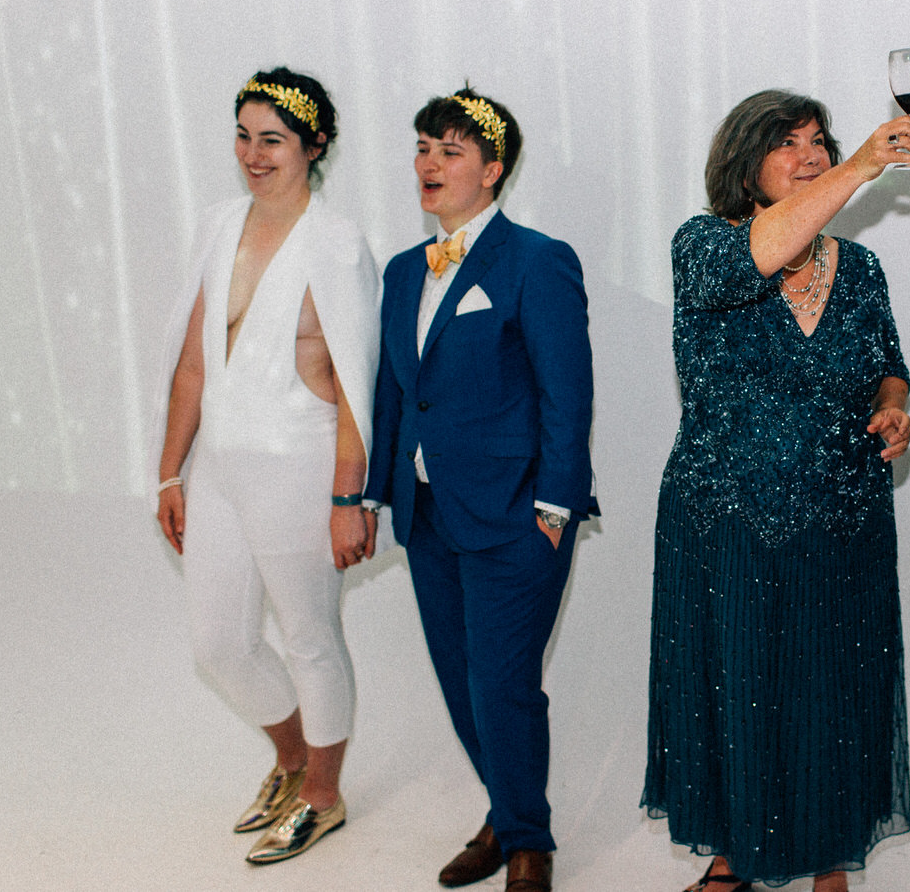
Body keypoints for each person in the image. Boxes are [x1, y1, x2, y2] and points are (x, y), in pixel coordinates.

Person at [643, 90, 910, 892]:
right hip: (723, 516)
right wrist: (869, 161)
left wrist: (893, 406)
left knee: (831, 691)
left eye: (819, 141)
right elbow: (758, 256)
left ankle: (828, 857)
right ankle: (732, 852)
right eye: (786, 142)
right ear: (744, 161)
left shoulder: (860, 268)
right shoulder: (704, 244)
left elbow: (887, 365)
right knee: (732, 686)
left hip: (841, 516)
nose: (810, 153)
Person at [363, 87, 597, 892]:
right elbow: (394, 393)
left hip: (516, 515)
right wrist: (371, 496)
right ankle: (506, 811)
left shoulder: (537, 260)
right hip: (428, 514)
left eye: (450, 150)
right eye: (424, 147)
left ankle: (529, 843)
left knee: (503, 683)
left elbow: (568, 393)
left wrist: (557, 508)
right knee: (463, 678)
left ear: (493, 171)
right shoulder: (402, 272)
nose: (429, 162)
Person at [154, 68, 380, 863]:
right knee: (219, 643)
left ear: (314, 147)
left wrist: (349, 496)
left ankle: (325, 794)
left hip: (299, 463)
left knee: (312, 635)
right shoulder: (219, 224)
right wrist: (169, 471)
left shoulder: (338, 243)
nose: (254, 153)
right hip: (217, 466)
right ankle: (291, 758)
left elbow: (358, 385)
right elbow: (191, 360)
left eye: (273, 139)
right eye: (244, 135)